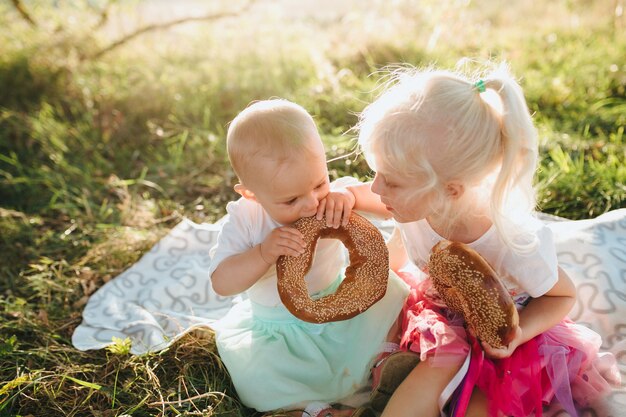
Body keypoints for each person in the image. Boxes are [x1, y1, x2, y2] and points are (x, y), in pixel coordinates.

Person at [341, 63, 621, 417]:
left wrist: (518, 334)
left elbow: (561, 295)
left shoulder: (511, 242)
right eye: (376, 174)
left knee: (482, 406)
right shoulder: (413, 205)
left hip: (505, 338)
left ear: (450, 190)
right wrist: (347, 197)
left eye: (392, 181)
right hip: (442, 320)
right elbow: (369, 196)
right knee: (414, 392)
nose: (378, 189)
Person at [208, 99, 410, 417]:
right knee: (257, 377)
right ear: (252, 194)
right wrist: (263, 254)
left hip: (344, 310)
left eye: (318, 183)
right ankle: (312, 409)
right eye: (291, 200)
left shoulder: (333, 198)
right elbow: (222, 282)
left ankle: (384, 366)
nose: (311, 203)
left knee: (393, 296)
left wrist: (352, 195)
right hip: (281, 333)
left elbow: (391, 203)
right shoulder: (247, 219)